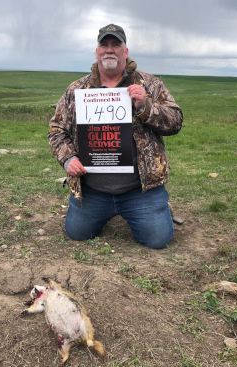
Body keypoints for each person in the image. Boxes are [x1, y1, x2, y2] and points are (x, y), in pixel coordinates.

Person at [48, 24, 183, 249]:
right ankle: (102, 210)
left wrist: (145, 107)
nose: (109, 49)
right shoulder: (76, 90)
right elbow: (57, 130)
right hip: (93, 190)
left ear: (125, 51)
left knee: (158, 238)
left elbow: (176, 121)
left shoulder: (149, 84)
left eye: (116, 44)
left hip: (140, 189)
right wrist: (68, 159)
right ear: (97, 51)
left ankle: (156, 207)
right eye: (104, 44)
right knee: (77, 233)